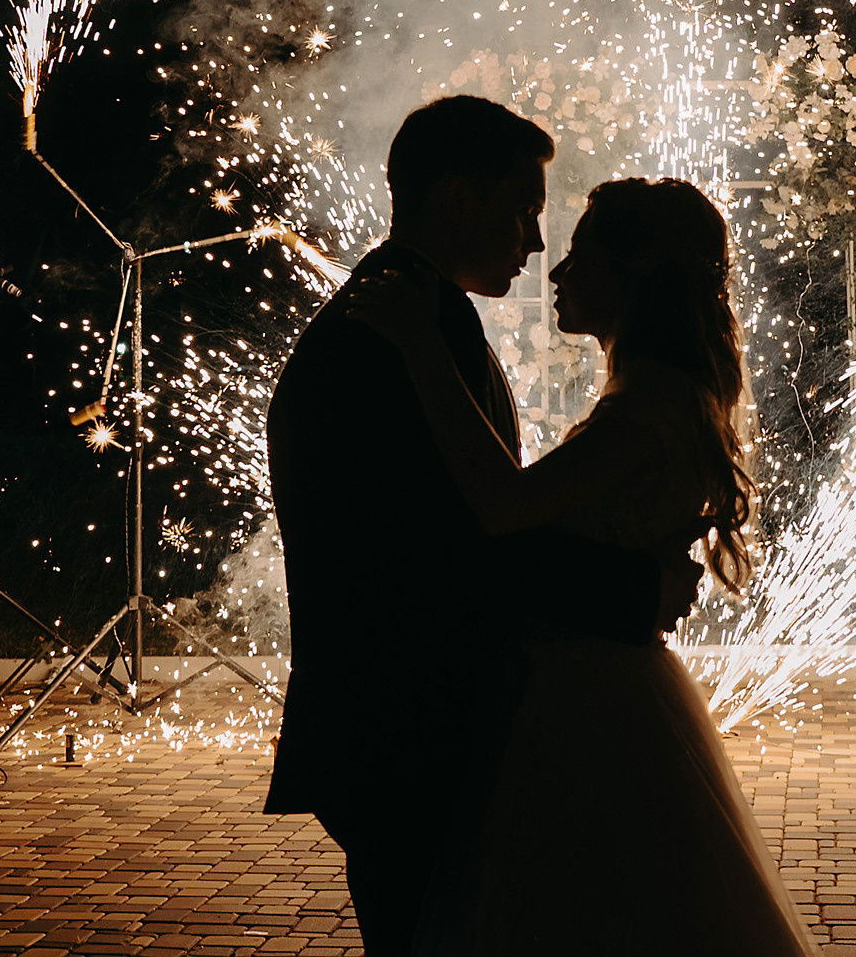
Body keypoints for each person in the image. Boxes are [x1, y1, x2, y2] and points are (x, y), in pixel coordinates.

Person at [263, 98, 700, 954]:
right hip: (406, 721)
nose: (535, 245)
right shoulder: (392, 332)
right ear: (459, 196)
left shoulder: (418, 316)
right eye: (522, 211)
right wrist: (635, 587)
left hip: (404, 716)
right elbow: (459, 547)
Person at [349, 176, 820, 956]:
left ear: (636, 277)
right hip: (605, 684)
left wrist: (421, 347)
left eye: (581, 257)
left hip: (585, 700)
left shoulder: (647, 409)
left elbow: (504, 508)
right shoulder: (663, 394)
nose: (556, 273)